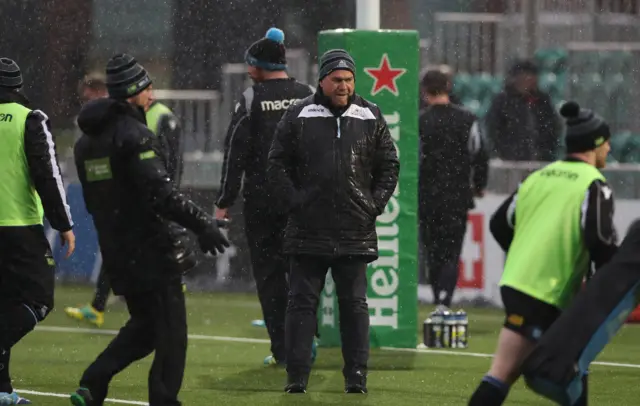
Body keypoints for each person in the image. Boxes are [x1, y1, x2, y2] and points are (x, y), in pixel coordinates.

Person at [69, 53, 230, 406]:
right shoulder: (135, 136)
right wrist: (204, 225)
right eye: (146, 88)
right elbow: (162, 194)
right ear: (131, 94)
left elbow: (106, 202)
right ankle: (163, 400)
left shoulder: (86, 145)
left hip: (117, 252)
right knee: (172, 333)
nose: (151, 95)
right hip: (150, 251)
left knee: (146, 329)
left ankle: (92, 383)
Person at [467, 101, 618, 406]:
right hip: (548, 292)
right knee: (565, 372)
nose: (611, 149)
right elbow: (599, 238)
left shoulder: (540, 176)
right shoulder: (594, 184)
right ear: (596, 144)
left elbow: (499, 223)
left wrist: (526, 253)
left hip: (518, 283)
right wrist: (611, 281)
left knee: (509, 373)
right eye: (607, 142)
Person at [268, 48, 399, 394]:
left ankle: (356, 377)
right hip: (308, 229)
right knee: (300, 304)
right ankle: (296, 378)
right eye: (337, 79)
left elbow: (390, 165)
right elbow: (276, 163)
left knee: (354, 307)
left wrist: (373, 206)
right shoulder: (297, 115)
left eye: (349, 79)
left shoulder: (371, 114)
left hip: (355, 230)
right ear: (322, 80)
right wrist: (295, 203)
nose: (344, 85)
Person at [214, 27, 314, 366]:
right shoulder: (309, 94)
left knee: (270, 277)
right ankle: (307, 337)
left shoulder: (251, 98)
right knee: (303, 271)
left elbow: (234, 152)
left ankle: (284, 350)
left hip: (262, 202)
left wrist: (224, 201)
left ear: (257, 66)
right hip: (303, 201)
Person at [65, 80, 185, 328]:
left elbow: (172, 162)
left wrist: (166, 194)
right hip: (133, 196)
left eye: (149, 89)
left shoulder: (162, 116)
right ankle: (102, 305)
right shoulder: (127, 118)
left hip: (151, 197)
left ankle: (164, 287)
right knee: (118, 249)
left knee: (133, 248)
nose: (147, 94)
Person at [0, 57, 75, 405]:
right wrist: (63, 224)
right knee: (37, 301)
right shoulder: (30, 119)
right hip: (18, 229)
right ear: (18, 87)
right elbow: (48, 175)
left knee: (3, 306)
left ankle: (2, 391)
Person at [418, 70, 488, 308]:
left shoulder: (420, 121)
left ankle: (438, 292)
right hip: (457, 195)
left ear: (424, 91)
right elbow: (480, 153)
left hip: (427, 195)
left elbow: (412, 158)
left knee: (432, 251)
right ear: (448, 87)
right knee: (451, 250)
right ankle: (444, 299)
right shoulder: (467, 119)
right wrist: (479, 185)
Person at [485, 59, 562, 161]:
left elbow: (553, 127)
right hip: (512, 161)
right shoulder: (503, 101)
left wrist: (545, 149)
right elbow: (493, 129)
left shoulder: (542, 101)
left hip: (540, 159)